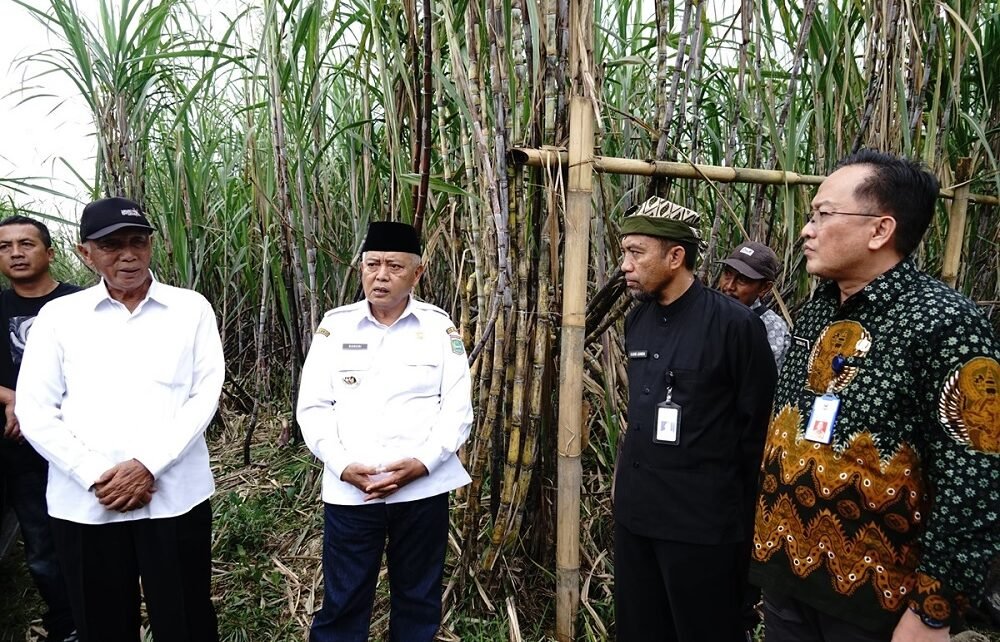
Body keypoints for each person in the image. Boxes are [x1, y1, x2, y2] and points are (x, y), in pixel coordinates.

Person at [750, 150, 1000, 641]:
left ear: (880, 230)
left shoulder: (947, 325)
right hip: (787, 581)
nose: (807, 228)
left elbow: (975, 478)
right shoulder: (817, 310)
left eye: (824, 214)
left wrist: (934, 608)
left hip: (876, 603)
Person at [15, 197, 224, 642]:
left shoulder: (190, 309)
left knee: (186, 618)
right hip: (87, 503)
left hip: (175, 497)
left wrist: (147, 466)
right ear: (84, 253)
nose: (127, 255)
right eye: (111, 245)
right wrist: (95, 474)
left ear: (152, 246)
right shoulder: (59, 318)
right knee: (101, 622)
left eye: (137, 242)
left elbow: (203, 396)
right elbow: (35, 409)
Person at [297, 221, 473, 642]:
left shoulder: (438, 328)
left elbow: (458, 409)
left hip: (422, 490)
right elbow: (313, 408)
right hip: (352, 490)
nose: (381, 275)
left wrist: (422, 464)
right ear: (361, 269)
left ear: (418, 272)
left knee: (417, 598)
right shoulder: (334, 328)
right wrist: (342, 466)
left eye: (394, 266)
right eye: (372, 264)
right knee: (344, 599)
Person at [614, 197, 778, 641]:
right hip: (636, 515)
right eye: (623, 251)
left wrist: (741, 525)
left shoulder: (736, 325)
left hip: (702, 524)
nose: (624, 264)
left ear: (675, 256)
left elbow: (757, 429)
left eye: (635, 252)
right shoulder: (638, 320)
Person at [0, 215, 79, 641]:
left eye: (26, 243)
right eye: (5, 246)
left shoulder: (80, 305)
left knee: (88, 540)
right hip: (21, 453)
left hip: (78, 447)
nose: (15, 252)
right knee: (42, 548)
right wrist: (12, 399)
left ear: (49, 253)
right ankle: (66, 625)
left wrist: (36, 410)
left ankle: (103, 616)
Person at [718, 240, 791, 370]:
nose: (729, 286)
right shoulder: (707, 312)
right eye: (727, 274)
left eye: (742, 280)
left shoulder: (771, 327)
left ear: (764, 287)